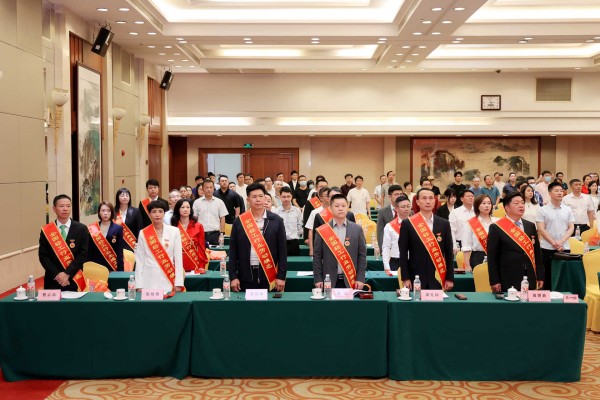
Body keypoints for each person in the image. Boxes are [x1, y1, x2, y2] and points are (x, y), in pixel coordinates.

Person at [229, 183, 287, 292]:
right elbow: (233, 252)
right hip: (245, 276)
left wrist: (281, 277)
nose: (258, 199)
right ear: (248, 200)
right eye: (254, 197)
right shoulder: (239, 222)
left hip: (270, 276)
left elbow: (282, 251)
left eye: (261, 196)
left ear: (265, 198)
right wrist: (233, 277)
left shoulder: (277, 221)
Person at [399, 188, 454, 290]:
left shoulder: (444, 224)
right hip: (416, 276)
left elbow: (449, 253)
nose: (428, 201)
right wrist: (405, 278)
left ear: (435, 201)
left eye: (431, 198)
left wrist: (450, 278)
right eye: (424, 198)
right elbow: (403, 253)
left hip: (438, 275)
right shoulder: (408, 223)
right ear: (417, 202)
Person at [488, 192, 544, 292]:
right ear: (507, 207)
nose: (521, 205)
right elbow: (492, 258)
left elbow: (537, 253)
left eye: (522, 203)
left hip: (529, 277)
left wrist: (540, 276)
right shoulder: (496, 227)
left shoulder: (530, 226)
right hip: (507, 278)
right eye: (516, 203)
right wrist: (494, 281)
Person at [313, 194, 366, 290]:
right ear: (330, 208)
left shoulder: (357, 229)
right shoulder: (322, 230)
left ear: (348, 207)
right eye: (337, 206)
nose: (340, 208)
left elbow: (362, 256)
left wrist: (360, 278)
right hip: (328, 281)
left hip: (352, 280)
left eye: (343, 205)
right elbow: (317, 256)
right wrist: (318, 279)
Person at [39, 195, 88, 291]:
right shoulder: (47, 230)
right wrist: (57, 275)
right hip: (53, 279)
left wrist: (67, 274)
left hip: (73, 278)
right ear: (54, 209)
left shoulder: (81, 229)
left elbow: (83, 254)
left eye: (68, 206)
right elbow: (43, 256)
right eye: (61, 206)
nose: (65, 209)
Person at [135, 200, 185, 293]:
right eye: (154, 212)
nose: (157, 214)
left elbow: (178, 259)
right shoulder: (143, 233)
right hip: (149, 279)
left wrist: (178, 283)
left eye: (160, 211)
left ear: (164, 213)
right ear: (149, 214)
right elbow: (140, 260)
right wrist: (138, 285)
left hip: (168, 277)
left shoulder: (174, 231)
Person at [536, 181, 574, 290]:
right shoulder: (542, 210)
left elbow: (571, 227)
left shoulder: (568, 209)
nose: (560, 193)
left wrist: (561, 242)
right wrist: (554, 243)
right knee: (547, 276)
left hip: (564, 247)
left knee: (563, 277)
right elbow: (541, 229)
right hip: (547, 248)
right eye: (556, 191)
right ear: (549, 193)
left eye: (561, 191)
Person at [171, 199, 208, 273]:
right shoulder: (173, 227)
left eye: (188, 207)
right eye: (182, 207)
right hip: (178, 263)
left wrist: (201, 266)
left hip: (194, 262)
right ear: (178, 209)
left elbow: (201, 248)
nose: (185, 209)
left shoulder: (198, 226)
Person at [462, 194, 497, 271]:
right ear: (477, 206)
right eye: (483, 203)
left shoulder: (497, 222)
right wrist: (467, 266)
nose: (487, 206)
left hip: (496, 257)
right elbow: (466, 247)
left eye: (489, 203)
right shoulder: (470, 223)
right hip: (478, 258)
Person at [87, 201, 124, 272]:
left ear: (112, 212)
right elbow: (89, 250)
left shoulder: (118, 228)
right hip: (96, 266)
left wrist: (120, 271)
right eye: (103, 211)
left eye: (108, 211)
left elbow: (119, 251)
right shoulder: (92, 228)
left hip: (112, 266)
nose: (105, 213)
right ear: (99, 212)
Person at [192, 180, 228, 245]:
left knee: (216, 251)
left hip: (215, 234)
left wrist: (222, 233)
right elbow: (195, 218)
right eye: (206, 187)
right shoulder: (197, 202)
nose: (209, 189)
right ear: (203, 189)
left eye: (211, 187)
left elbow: (222, 218)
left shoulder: (219, 202)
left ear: (214, 188)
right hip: (201, 233)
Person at [382, 195, 411, 272]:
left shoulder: (417, 225)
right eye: (403, 207)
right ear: (396, 209)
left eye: (408, 206)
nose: (406, 209)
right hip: (396, 262)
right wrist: (386, 266)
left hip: (413, 261)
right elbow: (386, 247)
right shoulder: (389, 226)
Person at [114, 187, 143, 253]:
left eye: (127, 195)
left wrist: (138, 243)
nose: (125, 197)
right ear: (117, 197)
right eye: (122, 195)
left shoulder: (136, 211)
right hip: (116, 244)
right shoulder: (113, 212)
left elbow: (139, 228)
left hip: (131, 244)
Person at [276, 186, 303, 256]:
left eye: (288, 196)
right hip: (280, 242)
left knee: (295, 262)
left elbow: (300, 225)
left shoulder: (297, 210)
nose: (286, 199)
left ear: (291, 197)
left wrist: (296, 235)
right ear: (280, 197)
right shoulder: (276, 211)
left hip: (294, 242)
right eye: (284, 197)